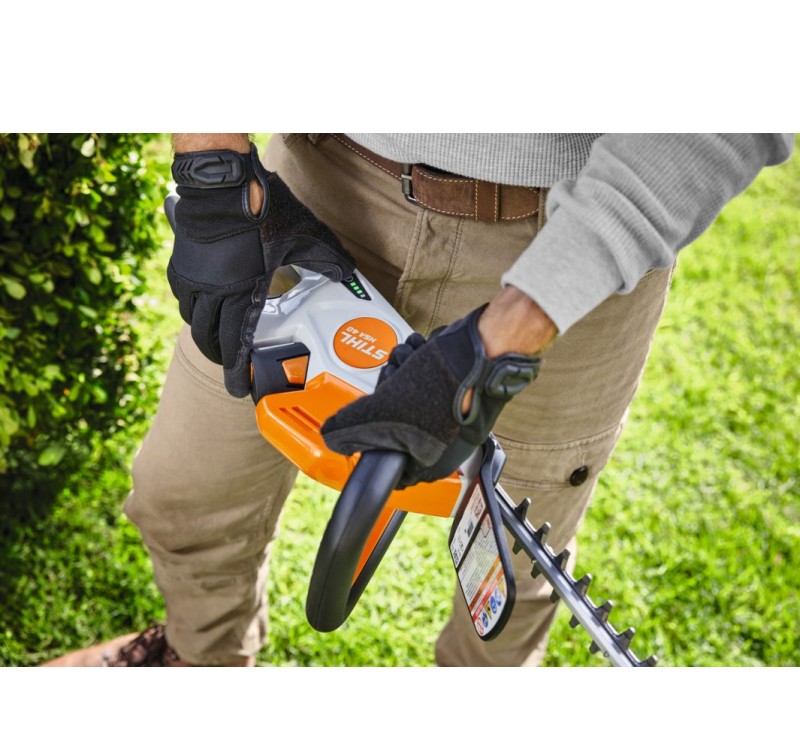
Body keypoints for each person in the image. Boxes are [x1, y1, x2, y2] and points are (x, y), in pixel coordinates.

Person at [42, 132, 794, 667]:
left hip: (566, 242)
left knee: (509, 580)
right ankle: (197, 660)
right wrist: (213, 171)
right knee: (183, 491)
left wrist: (508, 336)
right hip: (323, 184)